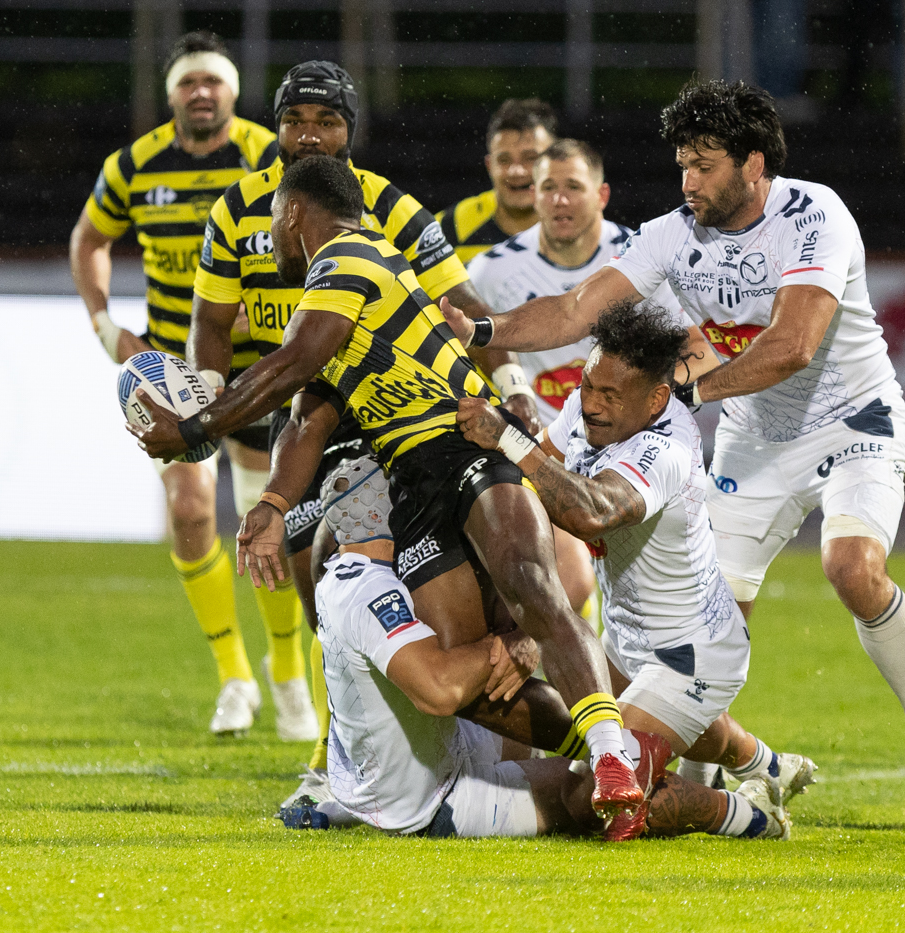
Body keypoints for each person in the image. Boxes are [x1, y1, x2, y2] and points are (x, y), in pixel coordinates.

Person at [441, 79, 905, 823]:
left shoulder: (814, 216)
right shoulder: (672, 232)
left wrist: (691, 392)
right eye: (682, 165)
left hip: (853, 420)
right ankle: (732, 776)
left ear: (754, 164)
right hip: (755, 435)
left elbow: (793, 345)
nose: (688, 181)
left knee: (851, 567)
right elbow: (573, 309)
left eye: (705, 165)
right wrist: (486, 332)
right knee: (700, 628)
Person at [135, 155, 647, 821]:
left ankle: (615, 752)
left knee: (530, 583)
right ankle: (631, 750)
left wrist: (196, 428)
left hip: (466, 440)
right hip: (411, 482)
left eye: (272, 221)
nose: (270, 237)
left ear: (294, 214)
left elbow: (291, 364)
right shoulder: (337, 295)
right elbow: (306, 416)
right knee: (477, 684)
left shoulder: (353, 255)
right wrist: (271, 502)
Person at [188, 61, 539, 781]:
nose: (310, 134)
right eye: (295, 121)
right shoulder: (235, 210)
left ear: (352, 132)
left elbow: (463, 302)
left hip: (382, 416)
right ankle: (344, 719)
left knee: (338, 557)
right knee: (297, 555)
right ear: (276, 128)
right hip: (293, 405)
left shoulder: (387, 205)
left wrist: (511, 382)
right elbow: (212, 325)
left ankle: (536, 703)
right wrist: (208, 398)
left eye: (327, 121)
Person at [279, 457, 791, 842]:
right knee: (589, 797)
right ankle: (745, 817)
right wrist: (510, 642)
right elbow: (439, 691)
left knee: (604, 709)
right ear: (380, 508)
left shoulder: (362, 575)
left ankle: (748, 760)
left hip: (409, 768)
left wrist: (518, 636)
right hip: (435, 800)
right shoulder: (369, 590)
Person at [457, 300, 816, 806]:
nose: (592, 405)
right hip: (624, 637)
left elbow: (592, 512)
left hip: (693, 651)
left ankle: (748, 814)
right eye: (588, 387)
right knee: (621, 728)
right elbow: (534, 479)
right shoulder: (587, 413)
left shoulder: (665, 448)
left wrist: (508, 439)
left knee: (591, 794)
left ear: (657, 400)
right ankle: (768, 766)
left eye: (610, 395)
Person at [69, 32, 317, 740]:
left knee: (268, 518)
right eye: (187, 82)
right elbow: (88, 238)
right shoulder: (134, 165)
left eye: (212, 80)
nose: (200, 92)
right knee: (187, 513)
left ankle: (286, 671)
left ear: (232, 92)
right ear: (172, 93)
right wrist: (102, 324)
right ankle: (234, 675)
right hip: (178, 370)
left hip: (263, 365)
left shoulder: (266, 155)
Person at [467, 138, 715, 624]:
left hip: (631, 449)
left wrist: (650, 403)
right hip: (546, 444)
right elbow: (473, 358)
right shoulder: (491, 271)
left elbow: (698, 346)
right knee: (570, 579)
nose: (560, 200)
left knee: (655, 596)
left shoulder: (642, 259)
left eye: (573, 187)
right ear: (533, 198)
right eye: (549, 188)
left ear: (601, 195)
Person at [436, 99, 558, 264]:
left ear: (555, 162)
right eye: (504, 160)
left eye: (530, 158)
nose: (516, 171)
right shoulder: (449, 228)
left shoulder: (583, 227)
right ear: (489, 165)